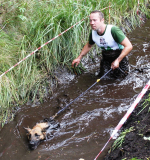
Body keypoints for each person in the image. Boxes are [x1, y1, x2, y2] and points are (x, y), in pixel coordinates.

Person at [72, 10, 133, 78]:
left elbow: (129, 46)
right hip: (106, 59)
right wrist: (79, 58)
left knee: (122, 79)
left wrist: (118, 60)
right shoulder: (93, 33)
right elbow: (89, 45)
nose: (92, 23)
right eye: (90, 20)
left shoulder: (113, 30)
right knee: (103, 79)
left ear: (102, 20)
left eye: (95, 20)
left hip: (120, 58)